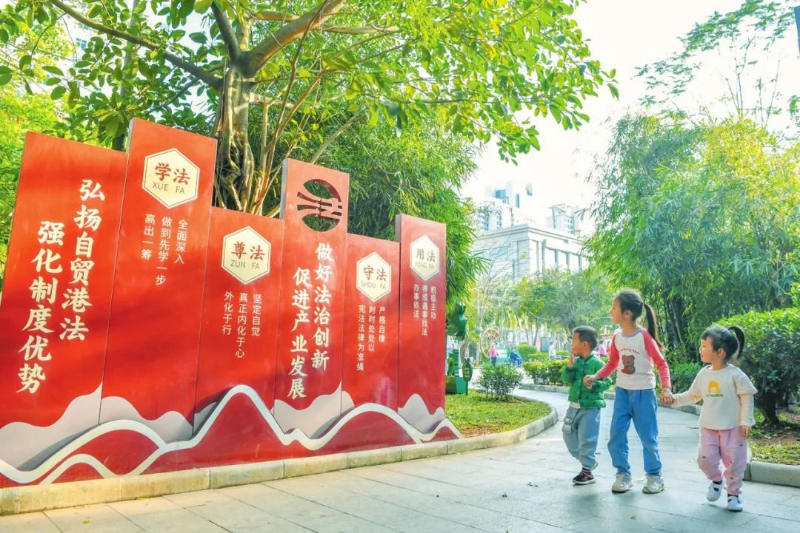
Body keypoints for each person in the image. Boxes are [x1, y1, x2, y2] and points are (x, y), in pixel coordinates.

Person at [584, 289, 673, 494]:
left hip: (644, 394)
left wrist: (666, 387)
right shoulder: (617, 336)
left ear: (627, 313)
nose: (610, 311)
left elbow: (661, 363)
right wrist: (596, 376)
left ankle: (654, 477)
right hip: (623, 393)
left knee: (648, 438)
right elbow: (613, 363)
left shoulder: (644, 337)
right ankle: (623, 475)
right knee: (616, 435)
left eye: (614, 307)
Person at [665, 325, 757, 512]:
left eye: (704, 346)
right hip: (709, 427)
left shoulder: (735, 375)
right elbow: (693, 395)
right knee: (704, 460)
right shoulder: (704, 374)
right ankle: (716, 480)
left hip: (733, 428)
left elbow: (747, 397)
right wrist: (674, 400)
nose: (700, 349)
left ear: (720, 352)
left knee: (735, 463)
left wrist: (746, 421)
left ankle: (733, 494)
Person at [561, 326, 612, 485]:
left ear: (585, 344)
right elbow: (566, 379)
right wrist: (569, 367)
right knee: (567, 433)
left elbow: (608, 382)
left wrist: (593, 385)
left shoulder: (598, 364)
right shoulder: (575, 362)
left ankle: (587, 471)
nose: (571, 344)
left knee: (587, 438)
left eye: (574, 341)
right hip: (573, 406)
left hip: (590, 408)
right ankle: (587, 461)